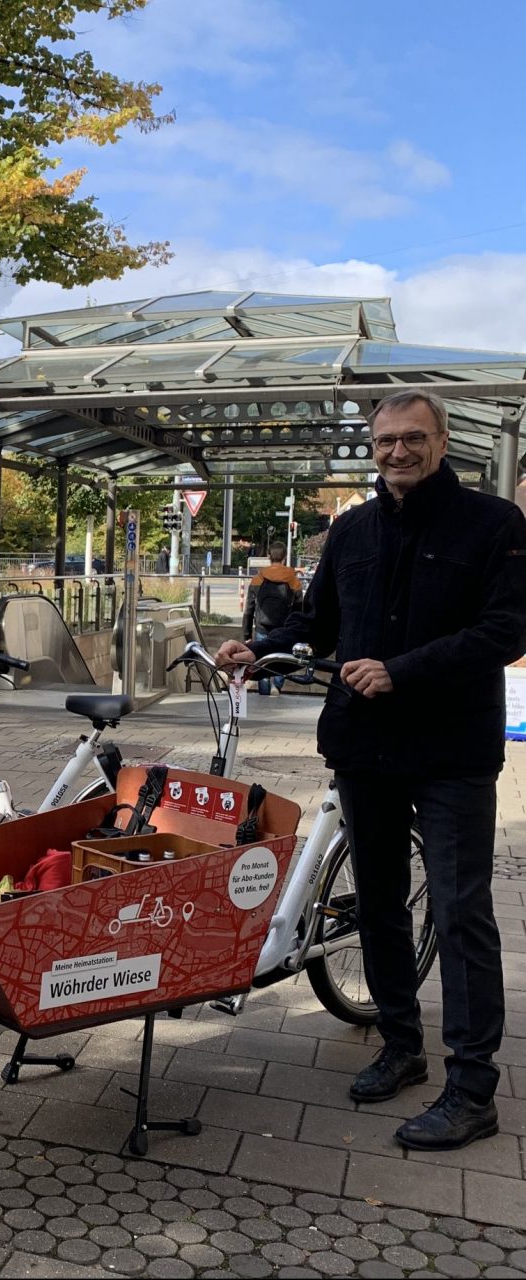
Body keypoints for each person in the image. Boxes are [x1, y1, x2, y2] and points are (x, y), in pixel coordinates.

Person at [217, 389, 526, 1151]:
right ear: (373, 445)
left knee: (459, 911)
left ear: (442, 440)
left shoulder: (493, 524)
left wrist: (402, 670)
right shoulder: (350, 528)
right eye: (386, 440)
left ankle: (472, 1086)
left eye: (412, 438)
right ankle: (400, 1045)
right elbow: (317, 619)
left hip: (449, 748)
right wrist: (259, 649)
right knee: (377, 900)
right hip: (362, 744)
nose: (398, 452)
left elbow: (507, 629)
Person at [241, 541, 302, 695]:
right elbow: (299, 609)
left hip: (262, 626)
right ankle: (277, 687)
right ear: (284, 557)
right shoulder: (293, 580)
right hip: (284, 628)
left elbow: (249, 609)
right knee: (282, 657)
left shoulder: (258, 579)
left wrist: (247, 634)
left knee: (261, 658)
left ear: (269, 556)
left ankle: (264, 692)